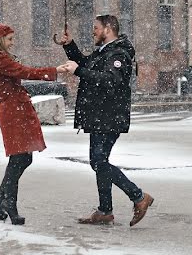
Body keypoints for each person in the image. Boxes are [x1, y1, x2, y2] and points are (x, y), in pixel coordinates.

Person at [56, 15, 154, 227]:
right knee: (99, 162)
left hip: (109, 116)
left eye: (96, 28)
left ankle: (138, 197)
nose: (93, 31)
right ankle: (105, 210)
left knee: (99, 162)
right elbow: (86, 64)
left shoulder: (119, 54)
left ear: (108, 29)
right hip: (101, 115)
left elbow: (111, 80)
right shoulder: (105, 52)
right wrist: (69, 45)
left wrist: (79, 71)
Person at [0, 21, 69, 226]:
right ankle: (9, 204)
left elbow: (21, 72)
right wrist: (53, 71)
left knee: (24, 158)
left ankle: (1, 195)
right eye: (10, 39)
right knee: (18, 159)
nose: (13, 43)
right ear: (0, 40)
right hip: (13, 111)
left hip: (19, 109)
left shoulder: (1, 57)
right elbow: (24, 72)